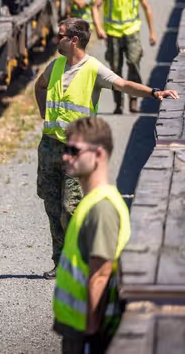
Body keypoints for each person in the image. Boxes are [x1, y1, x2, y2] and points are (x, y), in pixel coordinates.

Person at [34, 18, 177, 279]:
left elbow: (123, 85)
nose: (56, 39)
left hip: (77, 150)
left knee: (71, 207)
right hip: (50, 145)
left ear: (73, 40)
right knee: (52, 208)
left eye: (60, 35)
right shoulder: (55, 66)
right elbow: (39, 85)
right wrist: (44, 111)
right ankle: (61, 261)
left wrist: (154, 92)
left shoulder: (93, 68)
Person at [52, 117, 130, 354]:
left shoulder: (102, 208)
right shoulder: (90, 202)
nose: (66, 157)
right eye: (66, 150)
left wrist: (91, 335)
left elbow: (100, 276)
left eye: (74, 151)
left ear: (99, 154)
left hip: (86, 334)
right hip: (76, 328)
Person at [92, 0, 158, 114]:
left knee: (134, 63)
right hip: (113, 33)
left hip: (131, 32)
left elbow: (146, 7)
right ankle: (118, 103)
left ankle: (133, 100)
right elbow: (95, 6)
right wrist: (98, 28)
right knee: (115, 69)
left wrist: (152, 32)